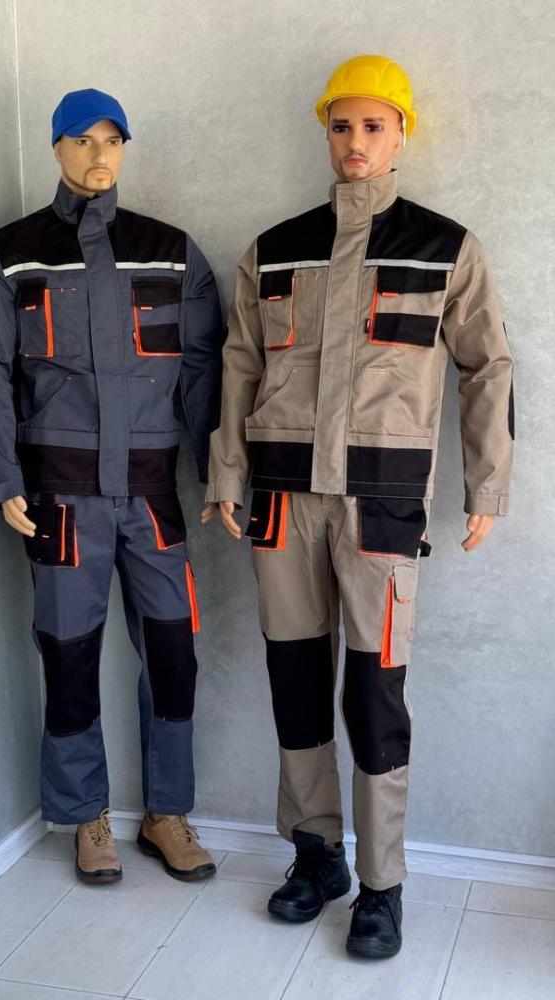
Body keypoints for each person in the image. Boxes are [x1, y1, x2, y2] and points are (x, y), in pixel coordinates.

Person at [202, 55, 513, 957]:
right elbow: (239, 366)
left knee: (376, 695)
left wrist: (487, 483)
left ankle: (382, 885)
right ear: (326, 132)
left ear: (402, 133)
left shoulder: (444, 248)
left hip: (383, 506)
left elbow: (488, 366)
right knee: (295, 681)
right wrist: (227, 477)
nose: (356, 141)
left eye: (375, 125)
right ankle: (315, 855)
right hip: (281, 504)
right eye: (342, 125)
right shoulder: (274, 249)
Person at [0, 88, 224, 885]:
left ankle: (166, 814)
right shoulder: (12, 253)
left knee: (174, 655)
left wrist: (219, 471)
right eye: (82, 140)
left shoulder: (171, 252)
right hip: (59, 502)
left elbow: (204, 370)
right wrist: (5, 476)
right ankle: (86, 816)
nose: (98, 154)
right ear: (56, 147)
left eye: (112, 140)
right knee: (70, 657)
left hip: (154, 497)